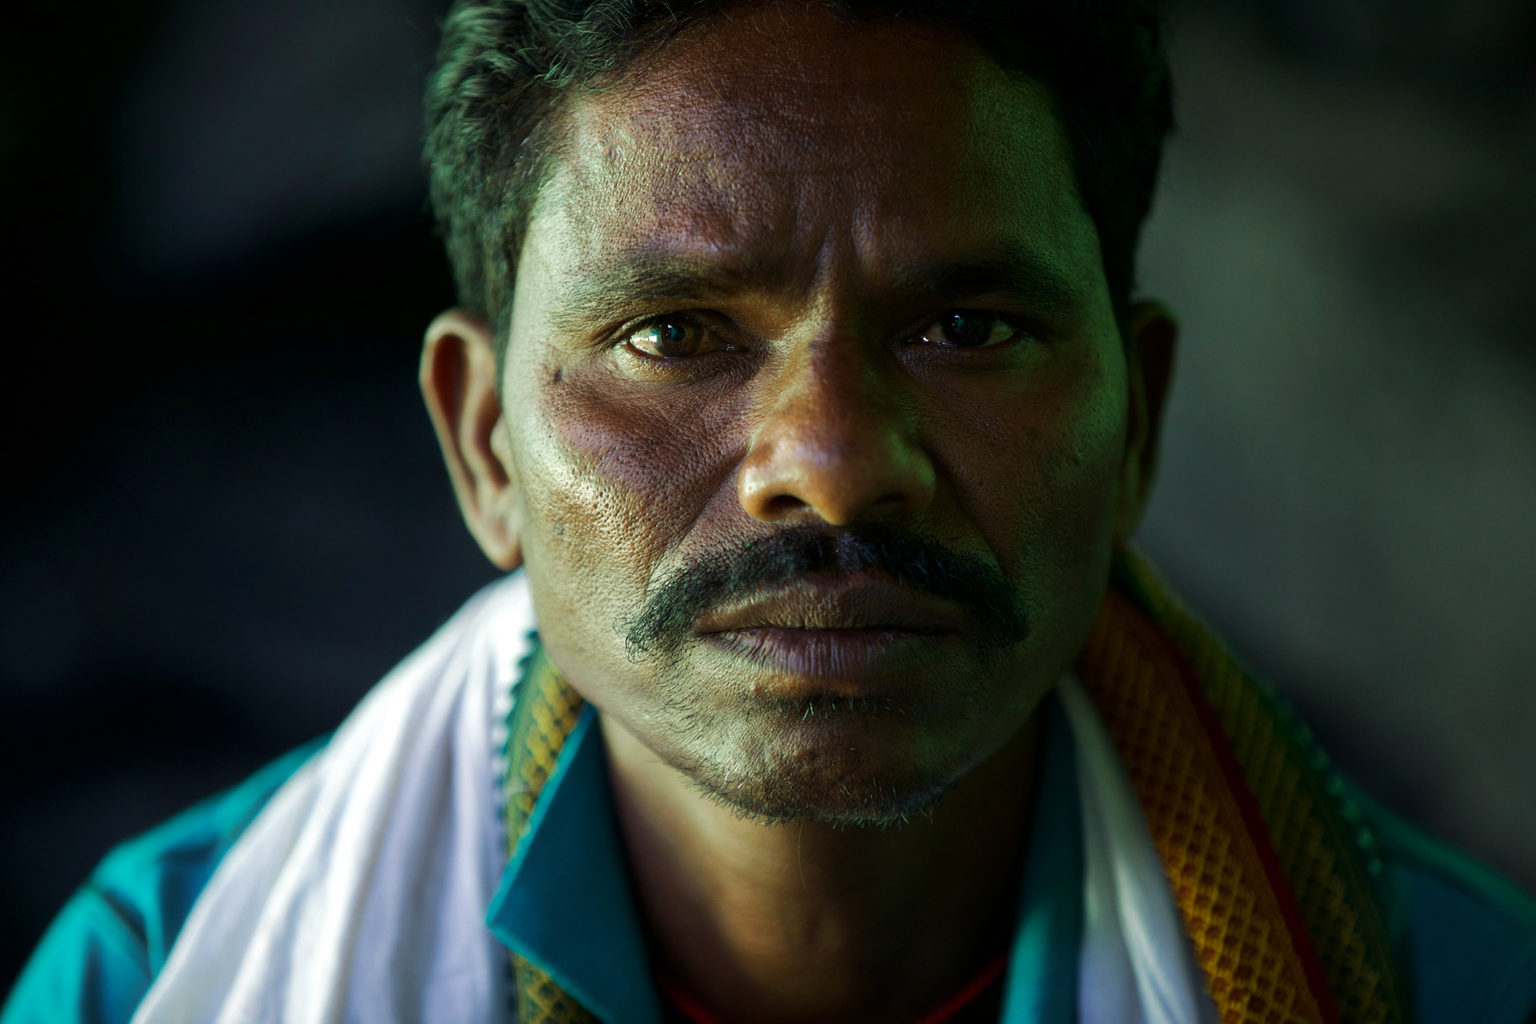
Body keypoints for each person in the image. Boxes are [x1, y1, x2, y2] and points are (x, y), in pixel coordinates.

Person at [6, 0, 1536, 1021]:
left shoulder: (1443, 982)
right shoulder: (160, 978)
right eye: (674, 334)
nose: (832, 461)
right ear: (482, 447)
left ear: (1136, 421)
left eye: (967, 330)